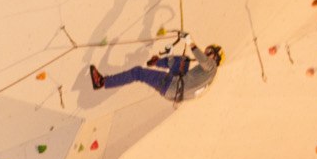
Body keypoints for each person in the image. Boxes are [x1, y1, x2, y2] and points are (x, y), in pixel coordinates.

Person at [90, 41, 222, 102]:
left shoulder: (212, 67)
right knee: (184, 60)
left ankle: (102, 82)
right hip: (174, 90)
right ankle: (157, 62)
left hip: (171, 85)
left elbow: (203, 59)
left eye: (209, 52)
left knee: (138, 73)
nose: (206, 53)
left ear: (215, 57)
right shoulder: (207, 77)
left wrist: (189, 41)